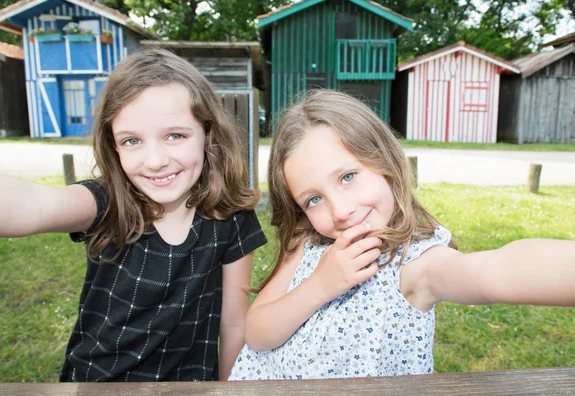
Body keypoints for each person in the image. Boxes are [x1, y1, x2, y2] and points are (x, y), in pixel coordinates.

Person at [228, 90, 575, 380]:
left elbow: (492, 272)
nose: (340, 210)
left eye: (348, 177)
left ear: (387, 163)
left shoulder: (415, 266)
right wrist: (320, 285)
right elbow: (257, 334)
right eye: (314, 199)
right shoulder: (309, 243)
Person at [0, 48, 267, 382]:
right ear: (113, 146)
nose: (155, 160)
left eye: (175, 135)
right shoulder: (105, 204)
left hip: (190, 388)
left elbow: (233, 323)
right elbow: (34, 205)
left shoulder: (231, 218)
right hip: (97, 387)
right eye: (132, 141)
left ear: (207, 134)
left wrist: (228, 392)